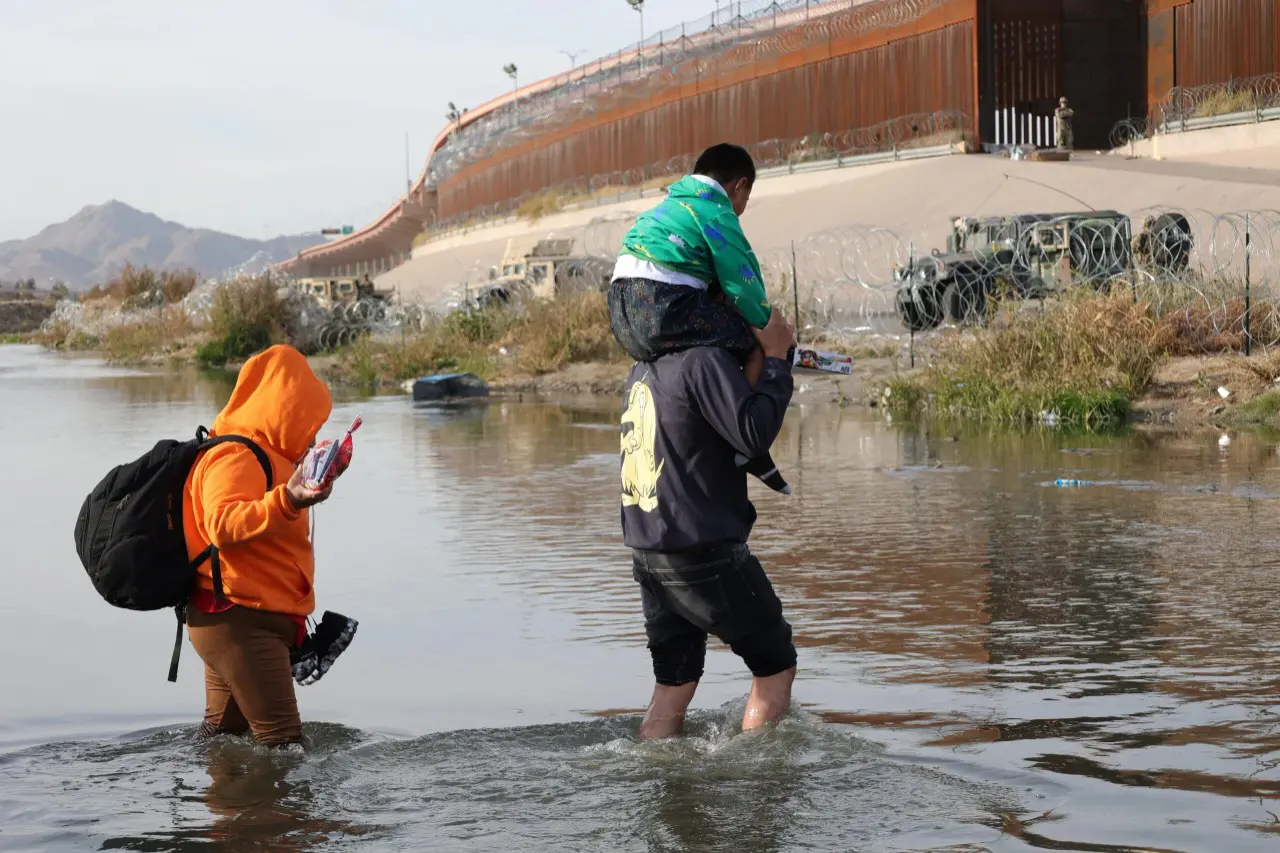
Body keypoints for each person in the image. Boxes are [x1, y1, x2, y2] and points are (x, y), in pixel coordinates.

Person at [620, 303, 800, 741]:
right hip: (702, 551)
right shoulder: (704, 361)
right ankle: (760, 786)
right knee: (775, 667)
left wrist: (757, 365)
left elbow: (719, 424)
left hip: (649, 553)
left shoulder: (645, 368)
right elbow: (753, 434)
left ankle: (657, 777)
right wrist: (776, 359)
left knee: (674, 683)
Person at [182, 344, 349, 747]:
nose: (309, 433)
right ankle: (279, 813)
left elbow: (269, 522)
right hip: (240, 623)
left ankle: (227, 807)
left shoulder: (273, 457)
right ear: (282, 410)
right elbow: (221, 524)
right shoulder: (234, 453)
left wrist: (313, 482)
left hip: (239, 620)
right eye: (304, 420)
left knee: (222, 739)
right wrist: (289, 500)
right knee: (284, 746)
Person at [608, 142, 791, 494]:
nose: (742, 209)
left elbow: (673, 261)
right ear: (740, 186)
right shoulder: (715, 211)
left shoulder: (667, 206)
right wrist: (770, 331)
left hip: (622, 311)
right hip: (662, 304)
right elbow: (743, 278)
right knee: (751, 345)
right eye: (746, 199)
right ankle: (748, 443)